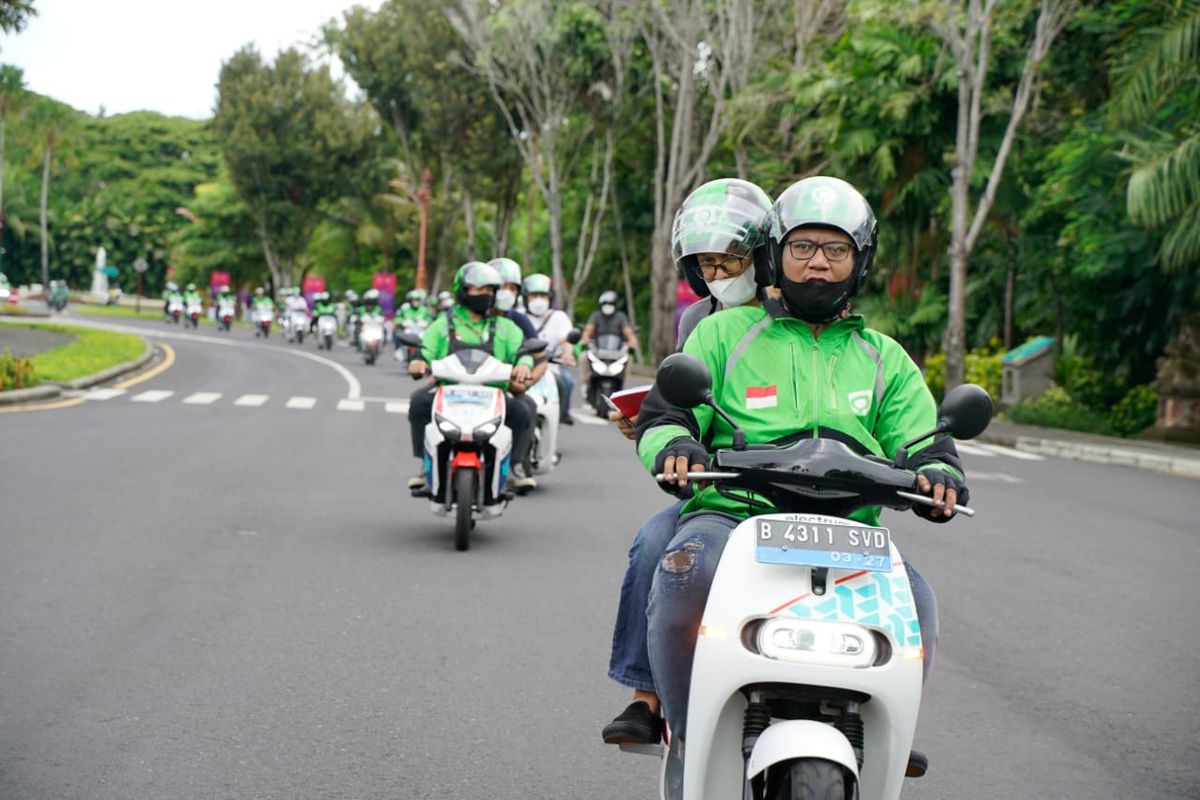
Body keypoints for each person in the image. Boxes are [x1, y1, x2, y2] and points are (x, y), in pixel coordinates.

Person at [630, 176, 968, 747]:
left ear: (860, 262)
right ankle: (690, 739)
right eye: (803, 248)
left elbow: (924, 442)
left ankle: (887, 735)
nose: (818, 264)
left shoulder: (886, 358)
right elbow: (667, 416)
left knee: (918, 603)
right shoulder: (720, 334)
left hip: (850, 530)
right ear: (775, 254)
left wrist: (941, 476)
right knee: (683, 571)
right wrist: (675, 448)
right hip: (733, 516)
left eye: (836, 250)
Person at [601, 177, 775, 745]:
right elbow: (680, 406)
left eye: (731, 259)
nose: (720, 273)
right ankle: (646, 696)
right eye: (707, 264)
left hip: (803, 490)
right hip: (720, 489)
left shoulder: (800, 314)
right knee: (653, 542)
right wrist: (651, 429)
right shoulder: (695, 324)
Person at [406, 262, 537, 493]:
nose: (485, 295)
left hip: (493, 394)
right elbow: (426, 350)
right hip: (449, 392)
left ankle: (514, 467)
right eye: (479, 289)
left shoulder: (506, 327)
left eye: (490, 290)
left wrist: (524, 366)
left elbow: (522, 353)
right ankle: (425, 465)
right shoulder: (443, 324)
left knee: (522, 411)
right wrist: (419, 361)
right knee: (419, 402)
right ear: (463, 291)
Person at [521, 273, 578, 425]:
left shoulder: (559, 317)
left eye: (543, 295)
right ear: (526, 297)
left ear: (550, 298)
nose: (538, 299)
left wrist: (567, 354)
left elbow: (565, 339)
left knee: (566, 381)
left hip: (552, 366)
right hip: (522, 365)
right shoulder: (518, 316)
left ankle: (561, 415)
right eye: (534, 295)